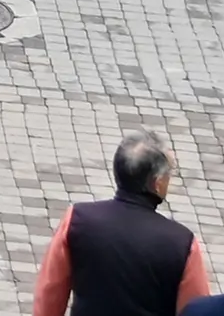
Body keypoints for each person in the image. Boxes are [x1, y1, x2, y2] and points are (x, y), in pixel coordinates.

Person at [28, 132, 214, 313]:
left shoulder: (77, 219)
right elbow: (196, 309)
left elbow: (49, 292)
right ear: (157, 183)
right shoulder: (182, 243)